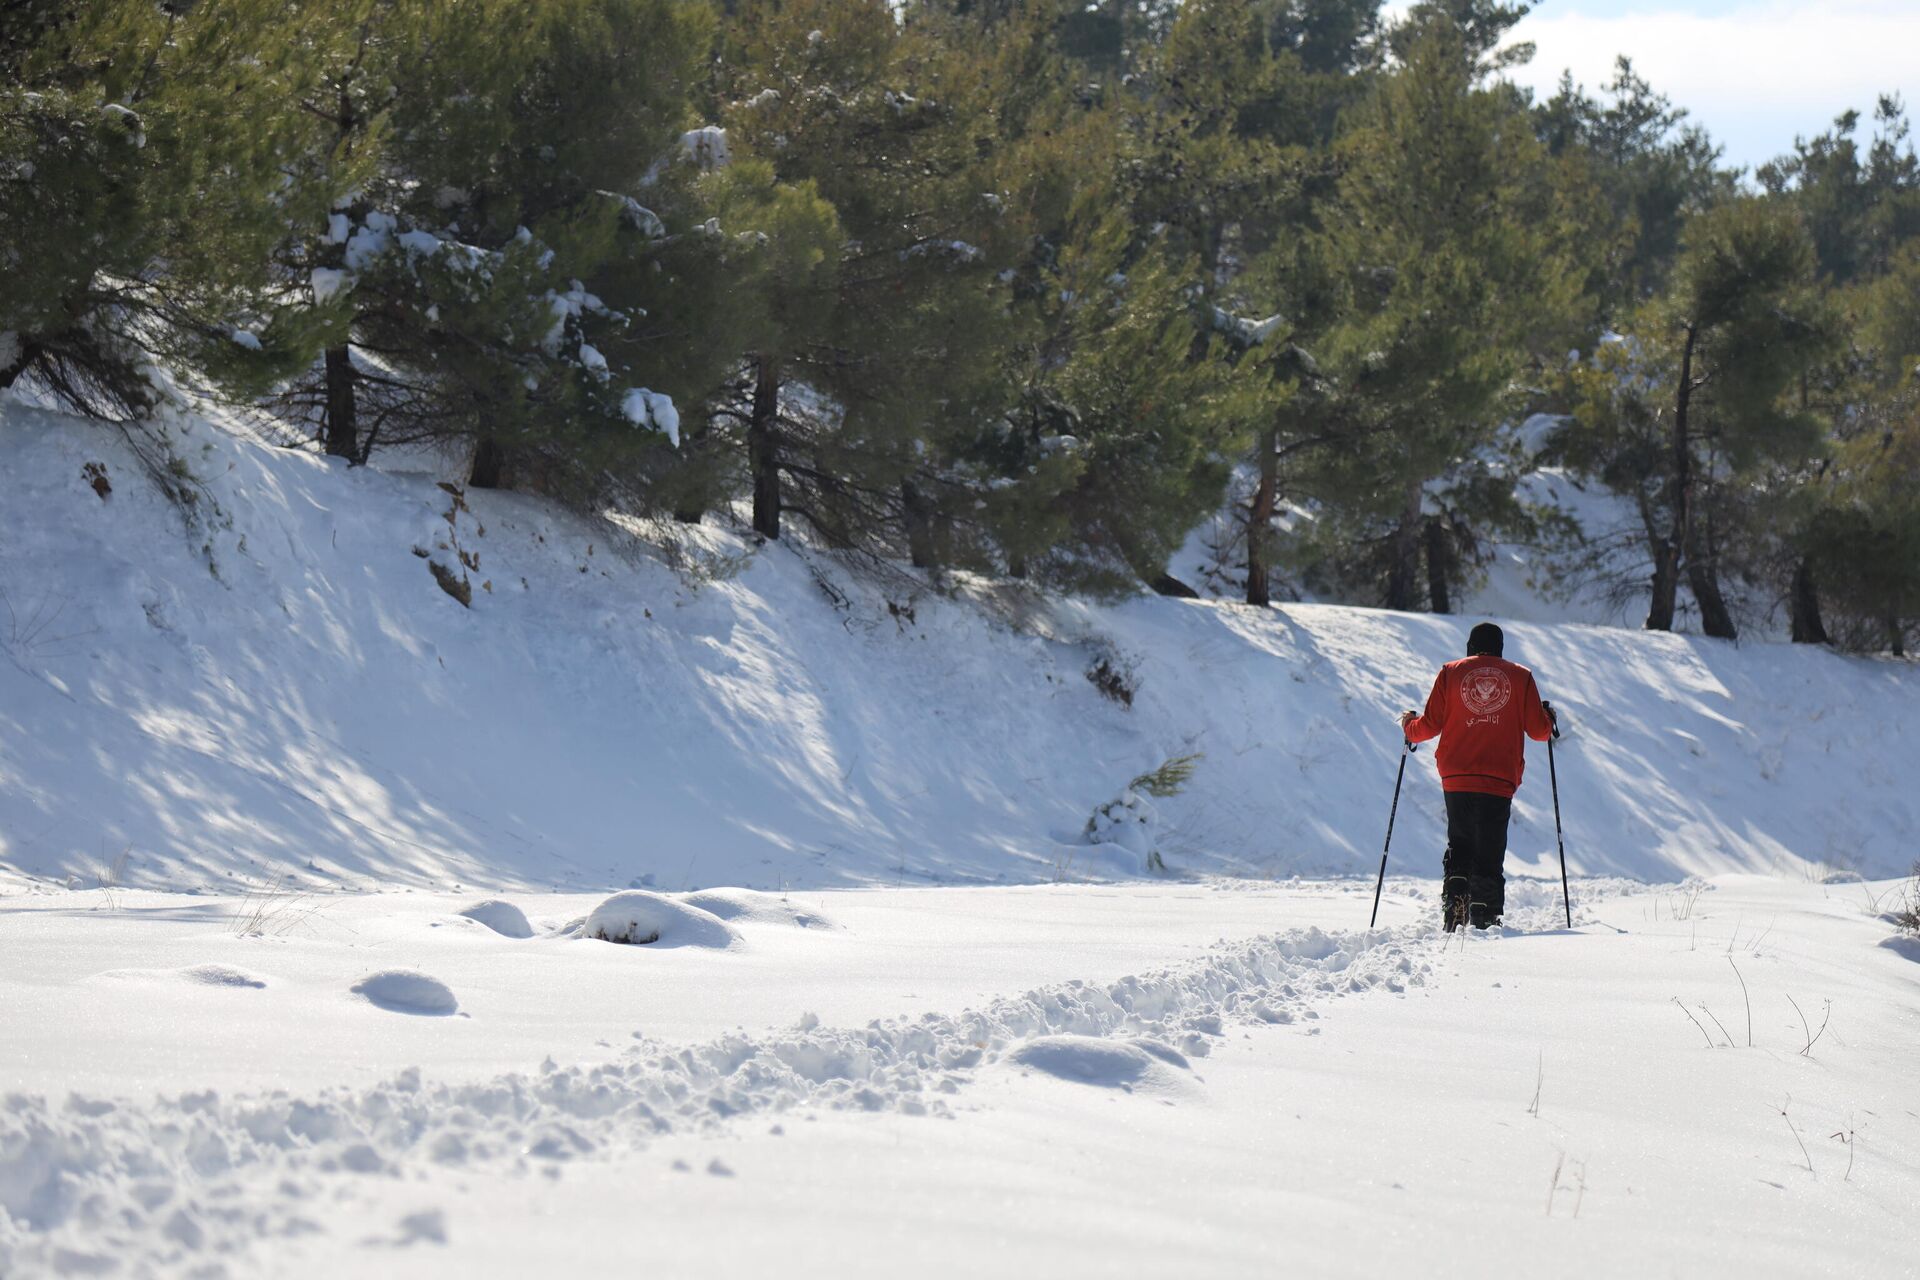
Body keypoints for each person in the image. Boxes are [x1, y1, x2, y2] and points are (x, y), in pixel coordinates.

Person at [1398, 621, 1556, 931]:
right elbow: (1539, 732)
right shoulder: (1521, 677)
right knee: (1491, 847)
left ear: (1470, 646)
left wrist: (1408, 726)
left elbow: (1429, 726)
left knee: (1460, 842)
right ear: (1500, 648)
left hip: (1457, 774)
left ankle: (1455, 910)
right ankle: (1484, 916)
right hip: (1499, 777)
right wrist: (1548, 718)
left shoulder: (1450, 672)